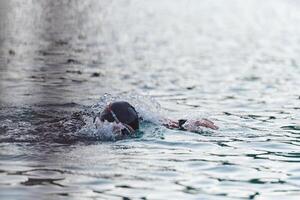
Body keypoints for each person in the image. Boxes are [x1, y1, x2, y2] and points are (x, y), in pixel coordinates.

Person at [93, 101, 218, 137]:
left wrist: (189, 123)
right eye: (124, 131)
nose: (121, 134)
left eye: (126, 132)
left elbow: (165, 122)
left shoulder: (142, 117)